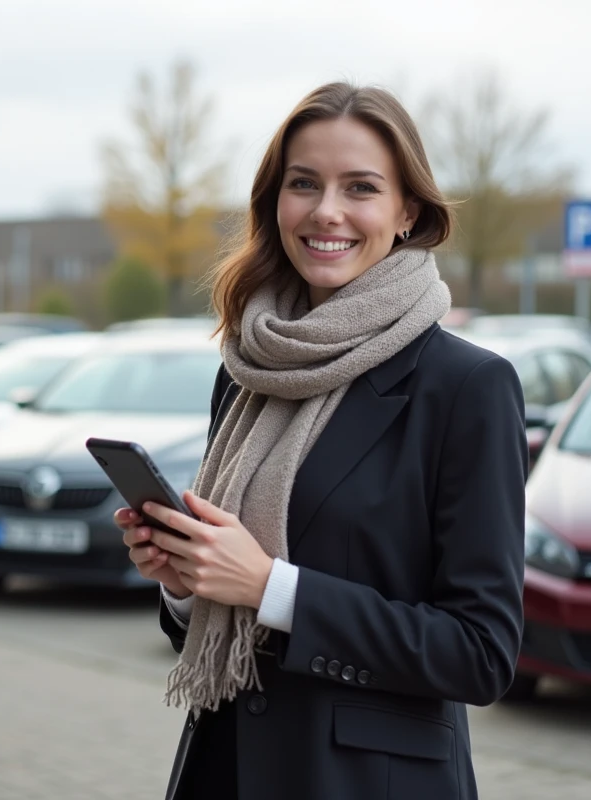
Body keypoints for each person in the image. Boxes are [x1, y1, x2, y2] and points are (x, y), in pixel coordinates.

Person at [114, 81, 528, 800]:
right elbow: (214, 633)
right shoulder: (247, 371)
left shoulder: (466, 387)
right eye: (303, 183)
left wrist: (271, 588)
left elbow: (480, 653)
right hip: (226, 770)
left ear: (407, 212)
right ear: (275, 202)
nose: (326, 211)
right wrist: (186, 584)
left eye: (360, 187)